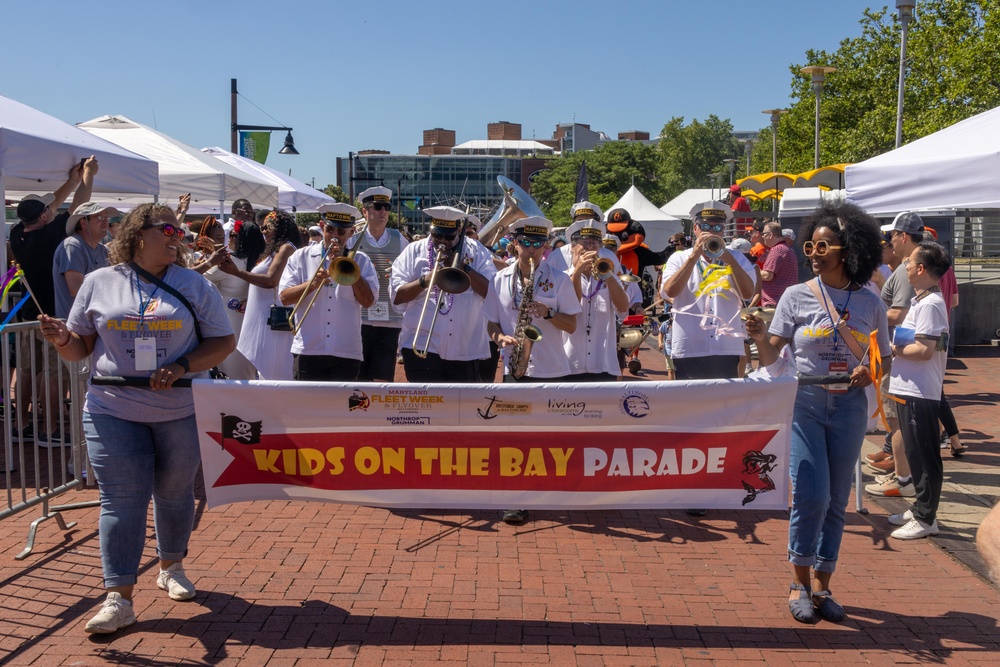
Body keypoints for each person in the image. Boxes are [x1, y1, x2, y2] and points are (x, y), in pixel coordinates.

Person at [36, 202, 235, 634]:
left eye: (178, 230)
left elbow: (223, 340)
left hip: (180, 410)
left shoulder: (194, 284)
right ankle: (118, 598)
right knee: (122, 500)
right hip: (112, 409)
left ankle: (172, 566)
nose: (175, 236)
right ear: (137, 233)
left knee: (174, 492)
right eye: (167, 228)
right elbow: (79, 348)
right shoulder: (97, 282)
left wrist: (182, 366)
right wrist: (61, 339)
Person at [746, 201, 889, 624]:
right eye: (810, 244)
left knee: (836, 502)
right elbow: (774, 357)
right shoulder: (795, 296)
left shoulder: (869, 300)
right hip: (804, 404)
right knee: (811, 494)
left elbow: (885, 358)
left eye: (824, 246)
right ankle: (799, 584)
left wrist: (870, 370)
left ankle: (825, 586)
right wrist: (758, 336)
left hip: (848, 406)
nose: (814, 252)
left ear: (849, 250)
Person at [9, 157, 98, 444]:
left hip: (26, 316)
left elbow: (49, 207)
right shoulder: (51, 235)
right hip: (51, 316)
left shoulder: (17, 233)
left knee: (25, 370)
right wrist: (86, 176)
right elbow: (78, 207)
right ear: (45, 216)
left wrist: (70, 181)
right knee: (52, 374)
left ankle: (21, 423)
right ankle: (49, 429)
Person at [881, 242, 953, 539]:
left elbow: (924, 350)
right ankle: (920, 507)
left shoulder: (932, 305)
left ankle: (926, 517)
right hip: (909, 388)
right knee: (915, 452)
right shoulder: (922, 301)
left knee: (925, 455)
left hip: (920, 392)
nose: (906, 266)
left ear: (922, 269)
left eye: (909, 262)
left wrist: (893, 350)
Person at [390, 206, 496, 382]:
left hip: (465, 349)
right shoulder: (413, 251)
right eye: (437, 235)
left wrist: (465, 268)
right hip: (422, 346)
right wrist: (427, 279)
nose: (442, 241)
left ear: (459, 231)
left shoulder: (476, 251)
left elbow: (492, 293)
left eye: (449, 236)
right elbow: (397, 297)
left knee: (459, 408)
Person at [279, 203, 379, 381]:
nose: (334, 236)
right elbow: (284, 298)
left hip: (346, 351)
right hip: (308, 348)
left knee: (341, 407)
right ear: (322, 226)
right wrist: (312, 284)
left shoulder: (361, 261)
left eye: (341, 232)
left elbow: (368, 302)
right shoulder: (301, 257)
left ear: (351, 232)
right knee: (307, 405)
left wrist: (349, 269)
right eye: (330, 230)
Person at [484, 216, 580, 383]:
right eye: (525, 243)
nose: (531, 249)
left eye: (537, 244)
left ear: (545, 246)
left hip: (551, 370)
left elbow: (571, 326)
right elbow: (491, 323)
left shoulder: (560, 279)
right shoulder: (498, 280)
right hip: (513, 368)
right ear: (515, 243)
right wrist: (499, 337)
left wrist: (549, 313)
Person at [866, 212, 925, 479]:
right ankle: (903, 471)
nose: (889, 241)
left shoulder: (906, 268)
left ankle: (901, 475)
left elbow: (899, 313)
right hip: (901, 349)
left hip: (898, 349)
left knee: (896, 416)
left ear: (903, 237)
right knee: (899, 415)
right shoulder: (910, 266)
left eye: (891, 236)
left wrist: (866, 318)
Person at [225, 210, 301, 380]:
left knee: (276, 375)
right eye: (262, 228)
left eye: (268, 227)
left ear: (280, 228)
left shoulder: (287, 247)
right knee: (266, 375)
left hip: (275, 324)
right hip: (267, 321)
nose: (264, 231)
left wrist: (236, 272)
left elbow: (271, 280)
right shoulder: (274, 250)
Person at [348, 186, 410, 383]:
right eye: (377, 206)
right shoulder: (352, 240)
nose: (383, 211)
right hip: (359, 318)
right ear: (365, 211)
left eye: (386, 206)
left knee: (383, 378)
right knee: (358, 375)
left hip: (390, 319)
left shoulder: (398, 239)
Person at [560, 217, 630, 381]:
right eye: (584, 244)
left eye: (594, 244)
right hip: (570, 363)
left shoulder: (609, 275)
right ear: (573, 248)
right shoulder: (561, 278)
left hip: (603, 362)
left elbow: (623, 308)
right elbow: (569, 306)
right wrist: (577, 271)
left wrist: (608, 275)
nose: (589, 249)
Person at [53, 202, 119, 319]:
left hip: (94, 324)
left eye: (106, 218)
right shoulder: (72, 245)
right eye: (99, 217)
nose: (105, 221)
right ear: (83, 223)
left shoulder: (104, 250)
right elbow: (76, 289)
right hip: (74, 327)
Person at [759, 221, 798, 307]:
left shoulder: (777, 250)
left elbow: (767, 275)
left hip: (775, 303)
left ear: (770, 235)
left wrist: (750, 271)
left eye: (764, 234)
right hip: (784, 301)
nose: (762, 236)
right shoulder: (787, 249)